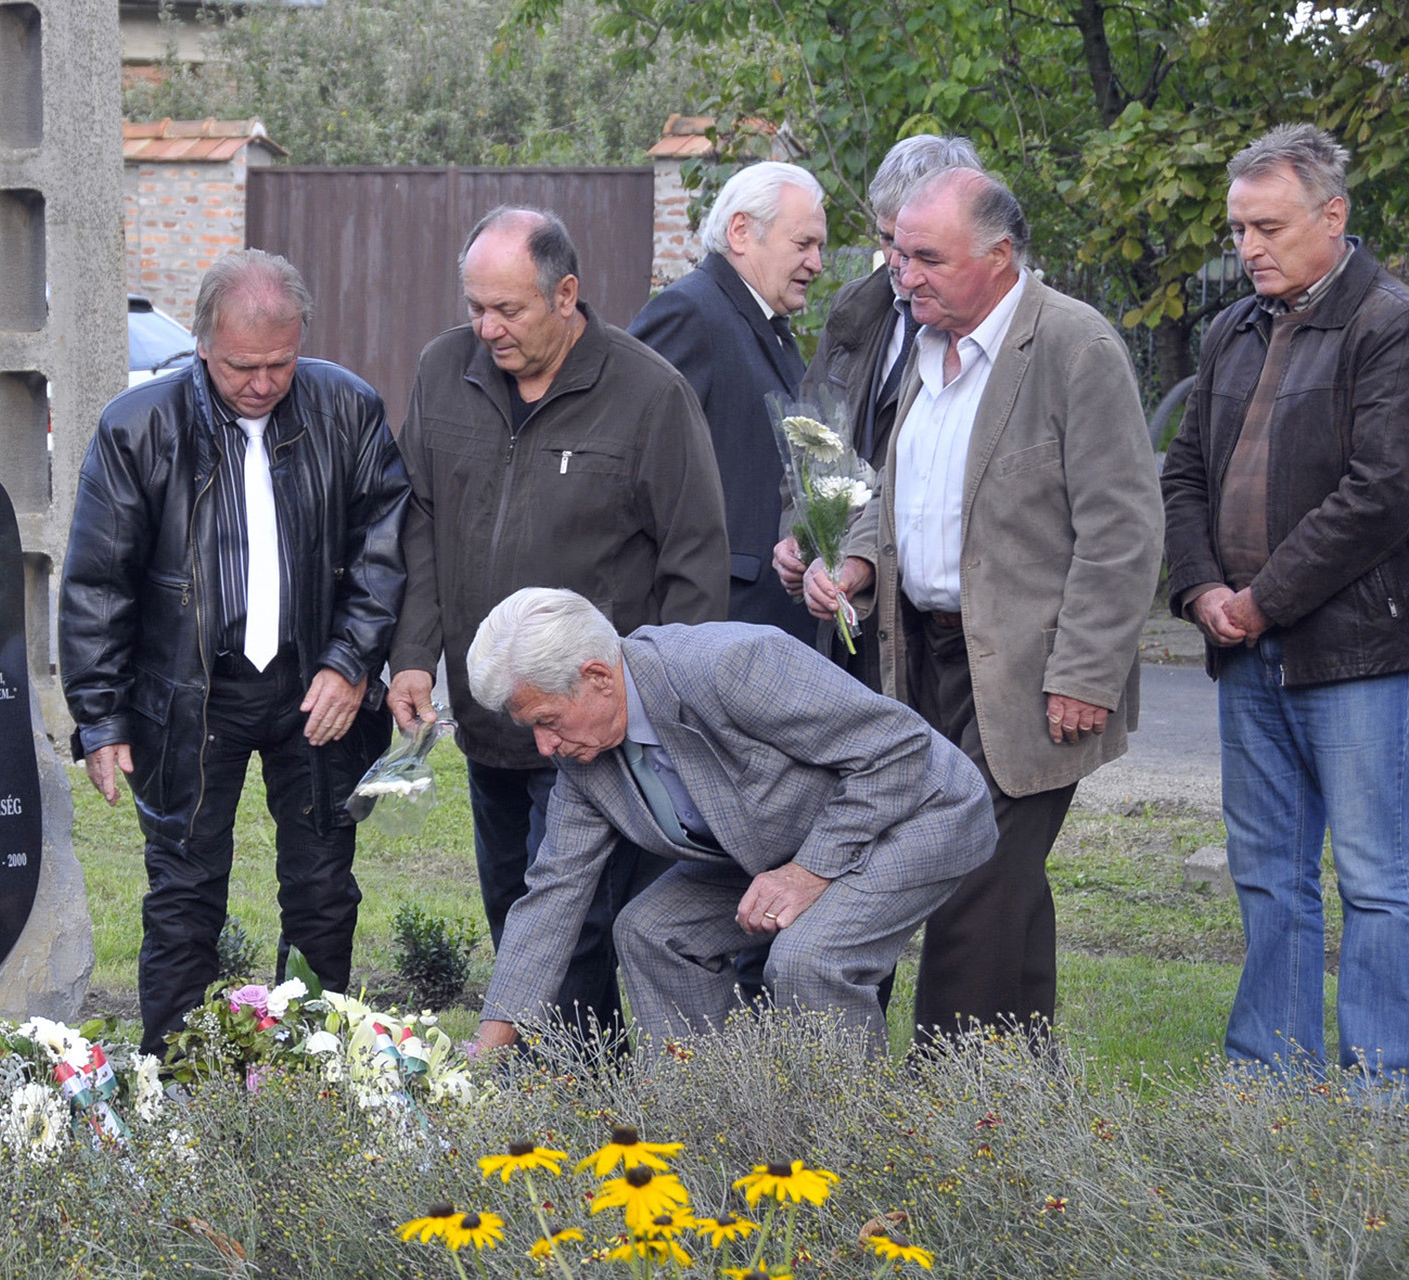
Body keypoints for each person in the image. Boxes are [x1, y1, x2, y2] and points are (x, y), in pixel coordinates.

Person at [804, 167, 1162, 1045]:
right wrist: (854, 561)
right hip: (922, 660)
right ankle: (1014, 1093)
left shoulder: (1074, 346)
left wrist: (1085, 673)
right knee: (998, 891)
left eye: (928, 257)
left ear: (999, 257)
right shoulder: (927, 347)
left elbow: (1123, 531)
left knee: (974, 883)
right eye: (899, 254)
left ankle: (949, 1099)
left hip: (1033, 675)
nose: (904, 275)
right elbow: (899, 493)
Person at [387, 206, 729, 1034]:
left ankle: (575, 1088)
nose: (486, 329)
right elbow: (420, 525)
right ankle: (562, 1078)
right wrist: (413, 655)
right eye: (476, 307)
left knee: (572, 929)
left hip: (589, 726)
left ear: (566, 294)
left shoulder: (649, 394)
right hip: (491, 720)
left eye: (508, 310)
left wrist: (665, 715)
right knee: (514, 912)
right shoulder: (443, 371)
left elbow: (695, 562)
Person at [59, 249, 409, 1056]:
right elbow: (98, 582)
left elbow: (385, 548)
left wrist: (351, 660)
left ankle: (312, 1063)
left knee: (323, 890)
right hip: (187, 693)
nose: (261, 383)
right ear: (202, 343)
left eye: (280, 364)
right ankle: (175, 1072)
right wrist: (100, 718)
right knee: (183, 893)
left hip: (316, 685)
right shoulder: (137, 427)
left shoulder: (348, 408)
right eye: (241, 366)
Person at [467, 588, 994, 1053]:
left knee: (807, 960)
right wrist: (487, 1049)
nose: (544, 745)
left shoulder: (729, 665)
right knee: (653, 933)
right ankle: (707, 1113)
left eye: (547, 720)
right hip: (782, 842)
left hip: (914, 810)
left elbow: (898, 749)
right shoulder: (584, 757)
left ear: (597, 677)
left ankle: (845, 1131)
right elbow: (553, 894)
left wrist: (807, 872)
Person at [1161, 124, 1409, 1079]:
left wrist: (1263, 599)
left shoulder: (1388, 322)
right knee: (1269, 873)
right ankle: (1272, 1078)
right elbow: (1183, 475)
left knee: (1379, 879)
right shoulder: (1232, 330)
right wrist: (1202, 589)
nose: (1249, 248)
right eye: (1238, 230)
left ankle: (1381, 1087)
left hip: (1358, 652)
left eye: (1268, 227)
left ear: (1332, 214)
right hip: (1243, 646)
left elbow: (1382, 492)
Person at [772, 135, 983, 688]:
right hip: (850, 615)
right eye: (887, 238)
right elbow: (811, 441)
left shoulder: (987, 331)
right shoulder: (858, 309)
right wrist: (800, 539)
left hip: (937, 621)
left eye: (917, 248)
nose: (896, 261)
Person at [629, 161, 825, 634]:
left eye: (819, 247)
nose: (817, 263)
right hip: (715, 621)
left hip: (767, 619)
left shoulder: (769, 326)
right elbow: (631, 462)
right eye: (803, 244)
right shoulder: (689, 313)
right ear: (741, 232)